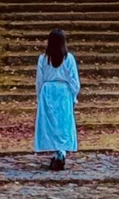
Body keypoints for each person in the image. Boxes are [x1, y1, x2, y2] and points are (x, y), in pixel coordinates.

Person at [34, 27, 80, 170]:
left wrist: (39, 96)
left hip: (48, 91)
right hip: (64, 92)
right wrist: (74, 95)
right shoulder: (69, 58)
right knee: (64, 123)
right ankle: (61, 151)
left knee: (51, 125)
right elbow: (74, 79)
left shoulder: (43, 58)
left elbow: (39, 80)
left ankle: (57, 151)